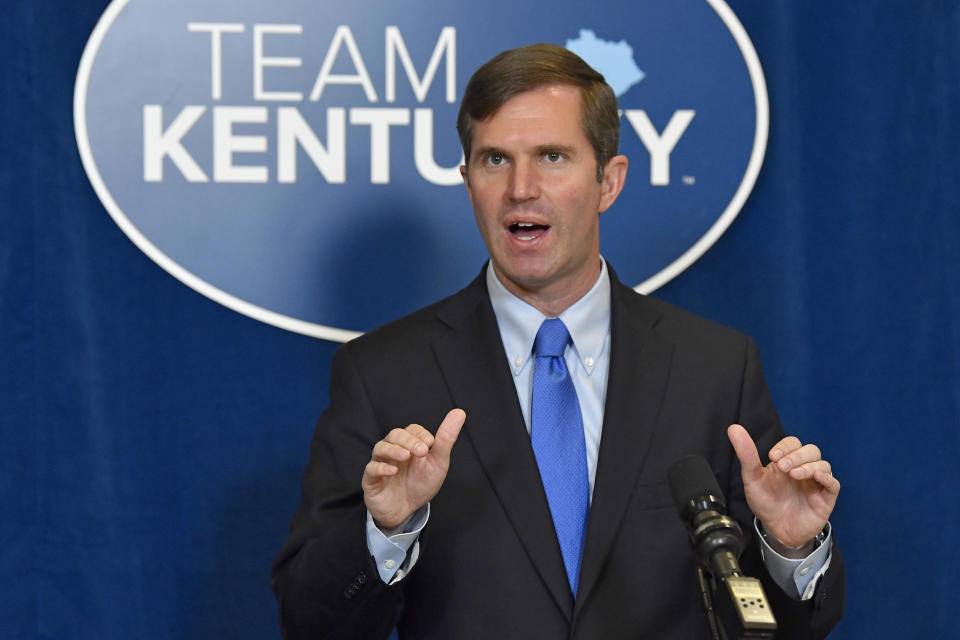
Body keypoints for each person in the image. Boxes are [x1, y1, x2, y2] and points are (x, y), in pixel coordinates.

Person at [272, 44, 844, 639]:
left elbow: (788, 625)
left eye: (551, 156)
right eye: (495, 160)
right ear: (467, 182)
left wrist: (789, 547)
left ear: (608, 181)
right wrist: (386, 533)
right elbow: (310, 622)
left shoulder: (716, 368)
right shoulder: (383, 374)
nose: (521, 188)